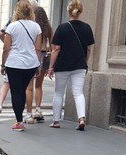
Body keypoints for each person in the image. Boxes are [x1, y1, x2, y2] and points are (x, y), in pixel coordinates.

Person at [47, 0, 95, 131]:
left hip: (62, 66)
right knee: (78, 93)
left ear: (69, 11)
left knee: (58, 93)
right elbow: (89, 48)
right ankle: (81, 118)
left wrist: (51, 67)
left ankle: (56, 121)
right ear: (80, 11)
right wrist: (85, 62)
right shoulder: (87, 27)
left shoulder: (62, 27)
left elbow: (56, 49)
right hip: (79, 65)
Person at [1, 1, 42, 131]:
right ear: (30, 11)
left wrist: (3, 64)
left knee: (16, 92)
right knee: (23, 90)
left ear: (17, 10)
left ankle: (19, 121)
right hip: (30, 64)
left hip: (14, 63)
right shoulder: (36, 27)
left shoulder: (12, 27)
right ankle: (21, 118)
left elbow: (6, 48)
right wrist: (38, 65)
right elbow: (38, 49)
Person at [24, 5, 52, 123]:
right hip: (44, 56)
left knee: (29, 87)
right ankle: (38, 110)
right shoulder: (48, 28)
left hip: (33, 56)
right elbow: (52, 44)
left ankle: (29, 114)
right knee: (39, 86)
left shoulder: (32, 27)